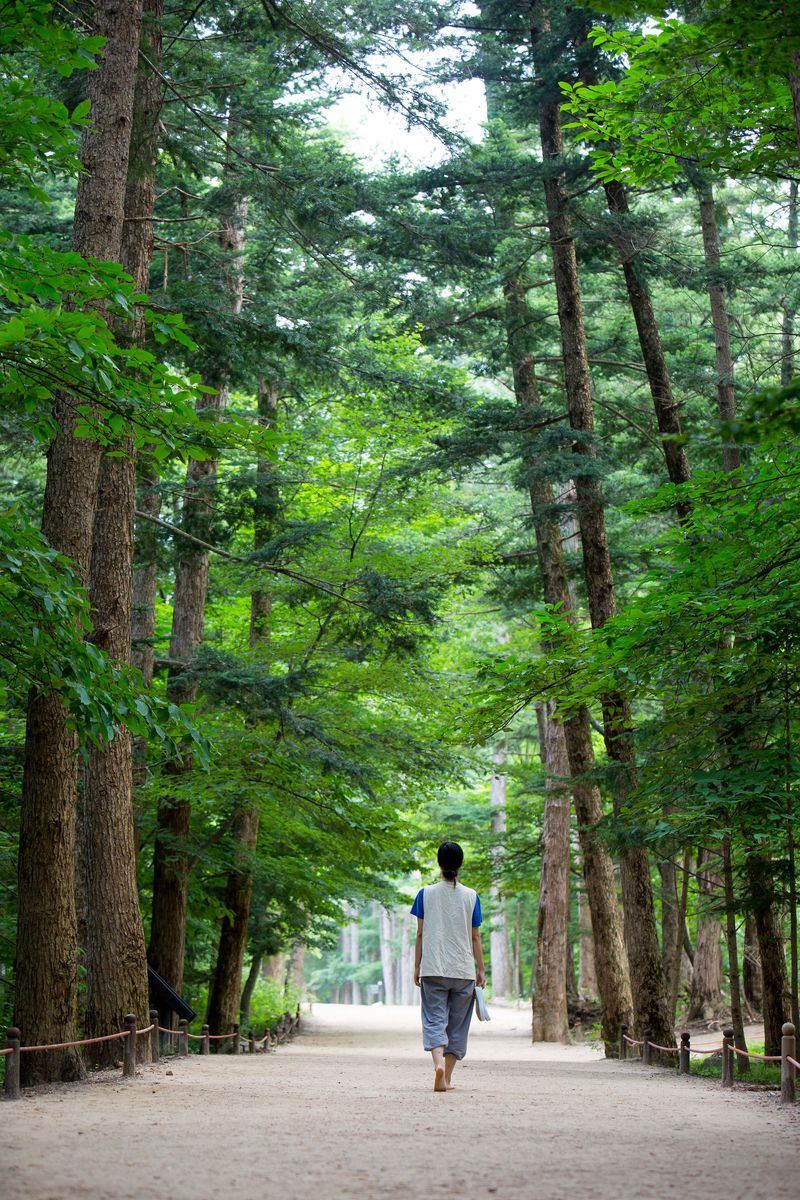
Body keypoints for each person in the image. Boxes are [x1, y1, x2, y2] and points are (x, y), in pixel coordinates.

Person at [411, 840, 485, 1092]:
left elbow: (420, 934)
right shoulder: (471, 896)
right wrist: (481, 969)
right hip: (463, 970)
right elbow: (475, 936)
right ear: (460, 864)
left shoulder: (425, 894)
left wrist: (416, 966)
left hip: (433, 967)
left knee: (434, 1019)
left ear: (439, 864)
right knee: (458, 1024)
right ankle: (448, 1078)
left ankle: (437, 1066)